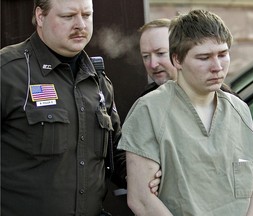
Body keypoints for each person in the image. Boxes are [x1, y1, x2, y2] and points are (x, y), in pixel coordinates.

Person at [0, 0, 160, 215]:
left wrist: (149, 174)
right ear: (40, 16)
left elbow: (115, 152)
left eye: (86, 15)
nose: (80, 25)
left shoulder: (98, 81)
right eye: (68, 16)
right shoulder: (8, 72)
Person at [118, 9, 253, 215]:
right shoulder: (150, 110)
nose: (217, 66)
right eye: (204, 57)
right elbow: (141, 199)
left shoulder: (239, 109)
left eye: (223, 54)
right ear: (177, 60)